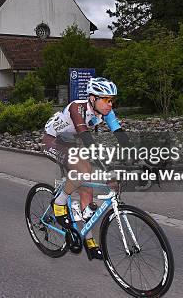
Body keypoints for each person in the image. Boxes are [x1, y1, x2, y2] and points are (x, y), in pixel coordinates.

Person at [44, 77, 129, 261]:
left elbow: (121, 136)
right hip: (53, 140)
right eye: (106, 99)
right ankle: (59, 203)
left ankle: (89, 242)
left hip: (73, 142)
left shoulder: (106, 112)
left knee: (87, 190)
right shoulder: (77, 107)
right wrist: (106, 169)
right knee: (83, 171)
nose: (110, 104)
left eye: (111, 99)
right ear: (92, 98)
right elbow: (86, 138)